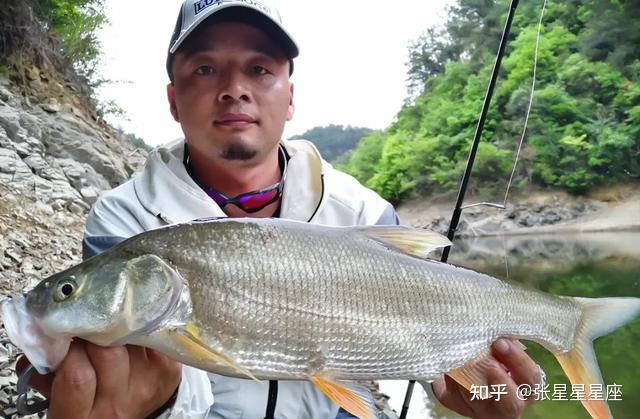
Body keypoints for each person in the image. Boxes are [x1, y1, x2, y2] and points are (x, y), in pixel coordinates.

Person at [22, 0, 544, 417]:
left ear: (289, 95)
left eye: (260, 68)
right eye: (205, 68)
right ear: (173, 99)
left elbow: (420, 347)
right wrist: (155, 408)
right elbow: (130, 380)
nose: (234, 90)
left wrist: (475, 393)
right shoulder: (123, 219)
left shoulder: (362, 211)